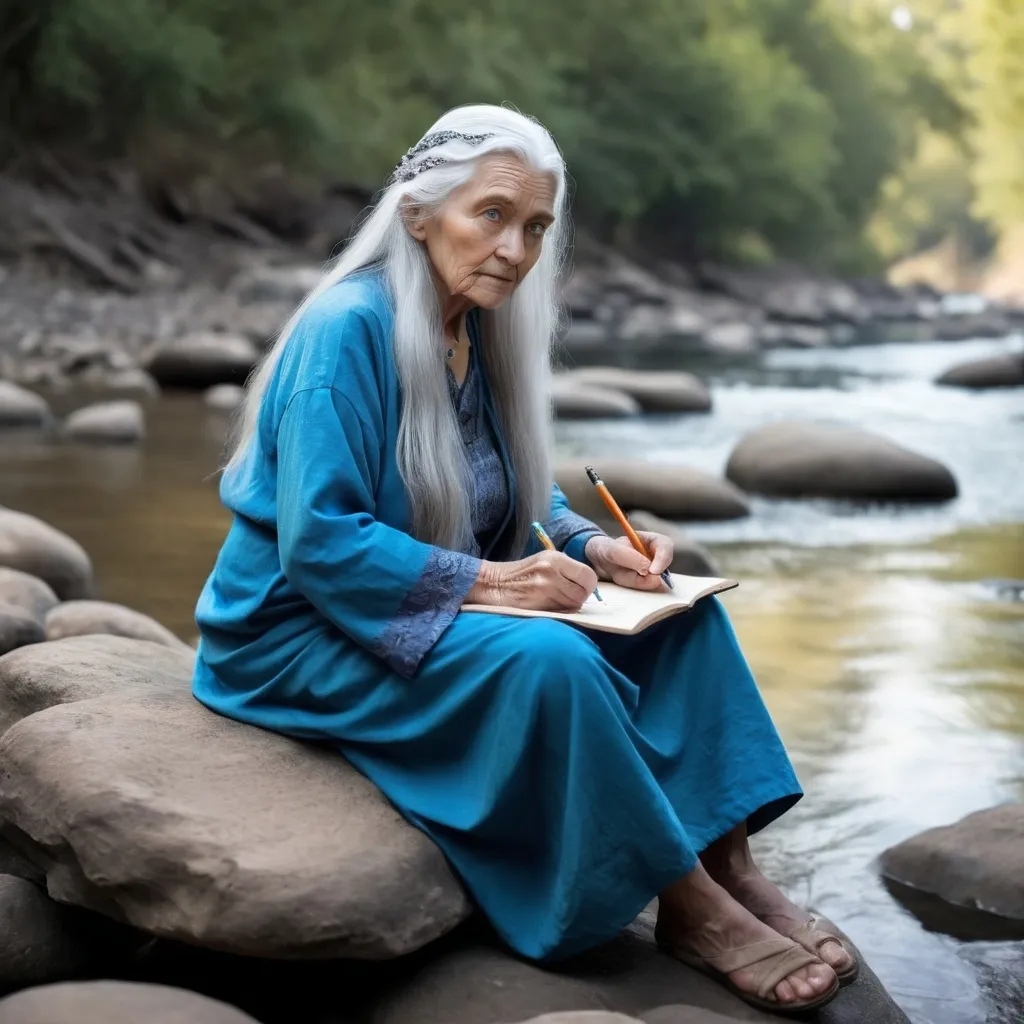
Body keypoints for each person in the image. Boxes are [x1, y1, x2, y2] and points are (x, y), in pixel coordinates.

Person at [193, 104, 857, 1014]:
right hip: (297, 633)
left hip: (416, 600)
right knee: (555, 659)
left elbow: (514, 496)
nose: (514, 247)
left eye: (536, 227)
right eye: (492, 215)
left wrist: (594, 547)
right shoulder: (344, 332)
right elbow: (320, 541)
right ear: (419, 212)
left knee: (685, 612)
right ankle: (687, 904)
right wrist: (496, 582)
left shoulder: (480, 329)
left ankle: (730, 863)